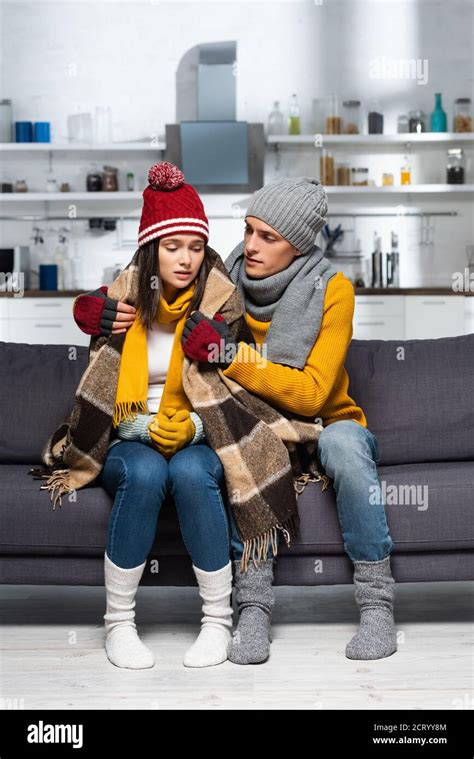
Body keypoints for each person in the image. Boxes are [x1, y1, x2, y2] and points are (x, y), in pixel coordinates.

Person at [73, 174, 397, 667]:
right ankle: (253, 610)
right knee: (241, 450)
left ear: (300, 243)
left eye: (268, 237)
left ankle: (376, 607)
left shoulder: (333, 290)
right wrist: (88, 307)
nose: (250, 246)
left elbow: (311, 394)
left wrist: (229, 354)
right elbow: (148, 281)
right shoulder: (228, 278)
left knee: (346, 449)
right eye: (248, 230)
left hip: (323, 420)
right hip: (251, 417)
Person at [71, 161, 235, 670]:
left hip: (199, 432)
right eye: (172, 246)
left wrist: (198, 426)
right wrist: (86, 310)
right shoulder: (124, 299)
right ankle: (119, 624)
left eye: (195, 246)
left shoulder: (222, 303)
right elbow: (89, 318)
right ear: (151, 248)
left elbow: (240, 382)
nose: (185, 259)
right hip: (128, 429)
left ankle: (218, 622)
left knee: (188, 471)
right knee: (143, 471)